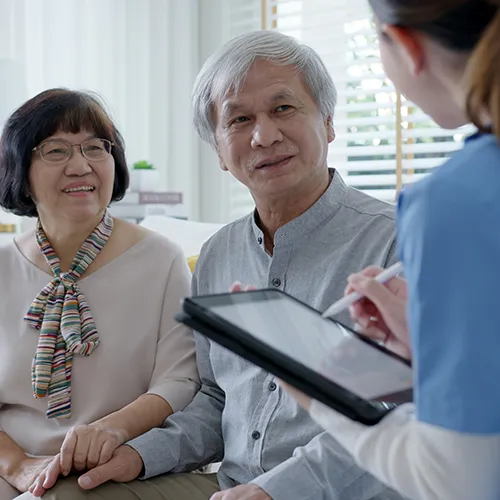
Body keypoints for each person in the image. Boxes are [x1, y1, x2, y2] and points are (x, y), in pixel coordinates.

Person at [27, 32, 404, 500]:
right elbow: (215, 400)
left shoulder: (398, 243)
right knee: (63, 495)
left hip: (346, 490)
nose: (264, 136)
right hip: (228, 484)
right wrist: (142, 455)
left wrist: (273, 491)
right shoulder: (217, 255)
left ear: (328, 122)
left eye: (283, 109)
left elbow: (397, 419)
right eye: (240, 119)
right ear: (220, 153)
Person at [282, 1, 500, 499]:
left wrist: (320, 398)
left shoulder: (453, 201)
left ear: (403, 45)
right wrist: (431, 361)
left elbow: (457, 481)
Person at [0, 89, 200, 500]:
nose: (80, 166)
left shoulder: (161, 259)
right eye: (55, 151)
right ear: (21, 170)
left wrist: (112, 429)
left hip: (111, 465)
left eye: (95, 147)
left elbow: (180, 380)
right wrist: (17, 466)